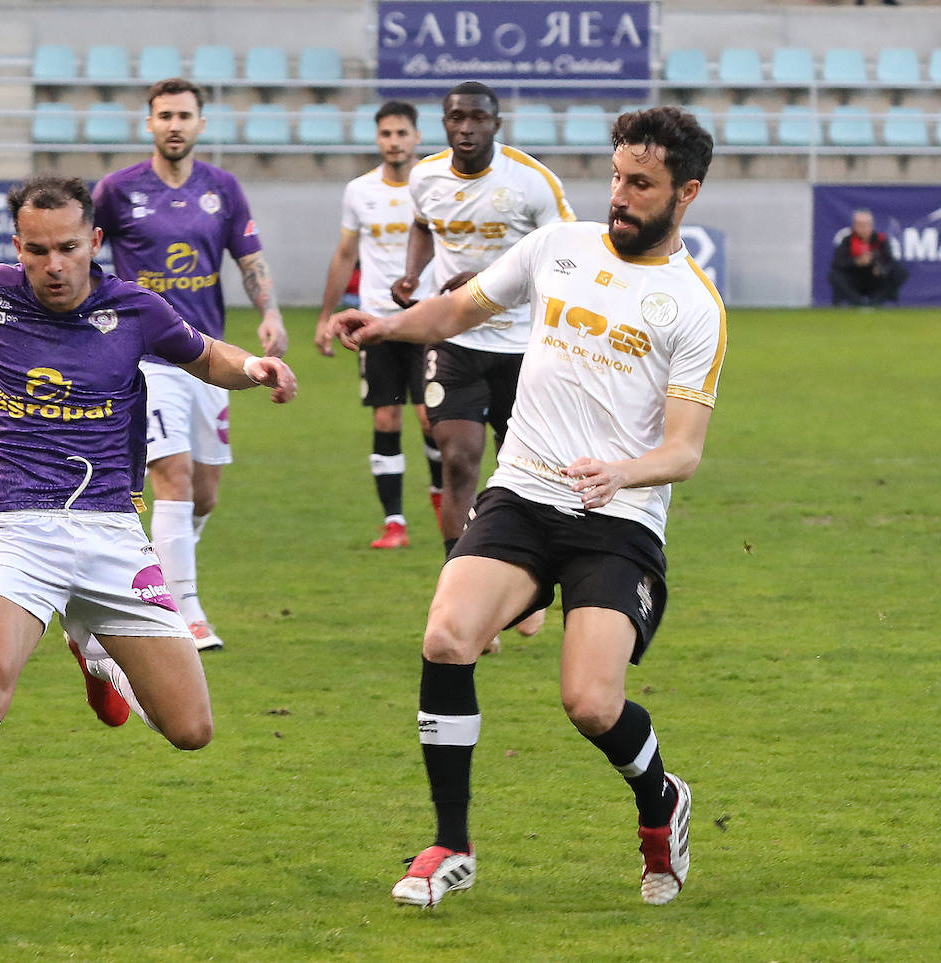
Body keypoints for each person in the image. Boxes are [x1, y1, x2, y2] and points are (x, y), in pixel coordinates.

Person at [0, 175, 296, 833]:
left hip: (112, 534)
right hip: (18, 528)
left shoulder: (135, 310)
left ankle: (98, 657)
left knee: (191, 729)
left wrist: (255, 368)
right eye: (36, 250)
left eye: (67, 247)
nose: (53, 265)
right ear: (18, 245)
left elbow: (206, 356)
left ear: (94, 240)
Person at [330, 106, 726, 908]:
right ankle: (451, 842)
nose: (619, 195)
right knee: (446, 636)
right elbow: (460, 309)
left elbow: (684, 450)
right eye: (616, 176)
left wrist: (622, 472)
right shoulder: (559, 247)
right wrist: (386, 327)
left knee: (589, 702)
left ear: (685, 192)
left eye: (640, 184)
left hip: (617, 519)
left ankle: (661, 801)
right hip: (526, 492)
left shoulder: (694, 306)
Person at [93, 78, 289, 652]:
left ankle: (161, 566)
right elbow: (81, 250)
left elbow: (249, 258)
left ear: (201, 124)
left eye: (184, 115)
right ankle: (184, 612)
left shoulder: (223, 190)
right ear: (148, 124)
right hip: (145, 359)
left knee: (204, 494)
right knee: (171, 479)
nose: (174, 124)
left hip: (210, 358)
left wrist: (271, 314)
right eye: (164, 115)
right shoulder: (116, 190)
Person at [394, 81, 576, 639]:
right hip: (455, 343)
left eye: (477, 119)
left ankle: (531, 581)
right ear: (443, 124)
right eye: (456, 118)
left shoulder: (532, 182)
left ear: (497, 124)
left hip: (525, 348)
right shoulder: (425, 177)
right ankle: (464, 595)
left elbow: (567, 257)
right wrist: (413, 273)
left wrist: (490, 283)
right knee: (458, 461)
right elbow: (425, 224)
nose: (466, 128)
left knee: (529, 472)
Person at [313, 100, 444, 550]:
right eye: (386, 134)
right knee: (387, 416)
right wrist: (326, 316)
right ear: (378, 139)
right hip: (374, 320)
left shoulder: (436, 186)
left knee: (431, 419)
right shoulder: (360, 191)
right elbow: (345, 254)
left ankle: (443, 501)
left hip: (427, 318)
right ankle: (394, 523)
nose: (394, 141)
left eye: (402, 133)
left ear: (416, 137)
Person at [829, 208, 908, 306]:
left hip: (874, 279)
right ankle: (856, 301)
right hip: (854, 278)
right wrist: (857, 262)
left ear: (871, 225)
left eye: (866, 224)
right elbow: (837, 263)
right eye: (860, 225)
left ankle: (876, 301)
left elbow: (889, 261)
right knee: (834, 275)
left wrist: (880, 268)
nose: (863, 228)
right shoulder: (847, 241)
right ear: (854, 226)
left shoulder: (880, 240)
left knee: (899, 272)